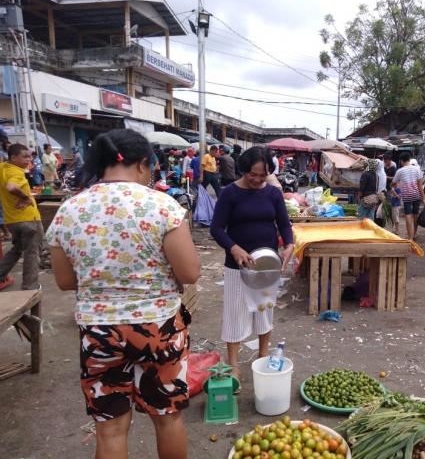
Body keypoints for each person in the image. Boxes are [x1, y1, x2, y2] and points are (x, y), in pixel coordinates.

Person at [46, 129, 200, 459]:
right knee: (168, 418)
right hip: (159, 328)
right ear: (143, 164)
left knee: (111, 428)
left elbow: (63, 281)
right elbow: (189, 273)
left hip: (99, 331)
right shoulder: (162, 206)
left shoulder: (70, 211)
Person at [210, 146, 293, 384]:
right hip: (237, 266)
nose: (257, 179)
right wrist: (233, 247)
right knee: (235, 314)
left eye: (262, 174)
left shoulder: (274, 194)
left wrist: (289, 244)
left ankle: (263, 355)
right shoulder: (230, 194)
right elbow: (216, 228)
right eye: (252, 174)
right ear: (243, 170)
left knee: (264, 310)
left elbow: (284, 225)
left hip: (266, 265)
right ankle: (233, 364)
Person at [0, 143, 44, 290]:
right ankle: (30, 287)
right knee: (32, 254)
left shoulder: (3, 168)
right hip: (28, 220)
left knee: (17, 249)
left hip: (12, 220)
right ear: (13, 157)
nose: (29, 159)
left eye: (30, 156)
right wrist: (25, 197)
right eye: (24, 156)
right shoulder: (16, 172)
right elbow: (12, 187)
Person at [392, 152, 425, 240]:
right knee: (415, 214)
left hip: (406, 195)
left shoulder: (399, 171)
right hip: (416, 195)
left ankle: (410, 238)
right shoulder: (417, 169)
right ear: (409, 159)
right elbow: (420, 185)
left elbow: (393, 183)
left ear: (401, 161)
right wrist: (424, 198)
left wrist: (393, 185)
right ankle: (415, 233)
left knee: (408, 215)